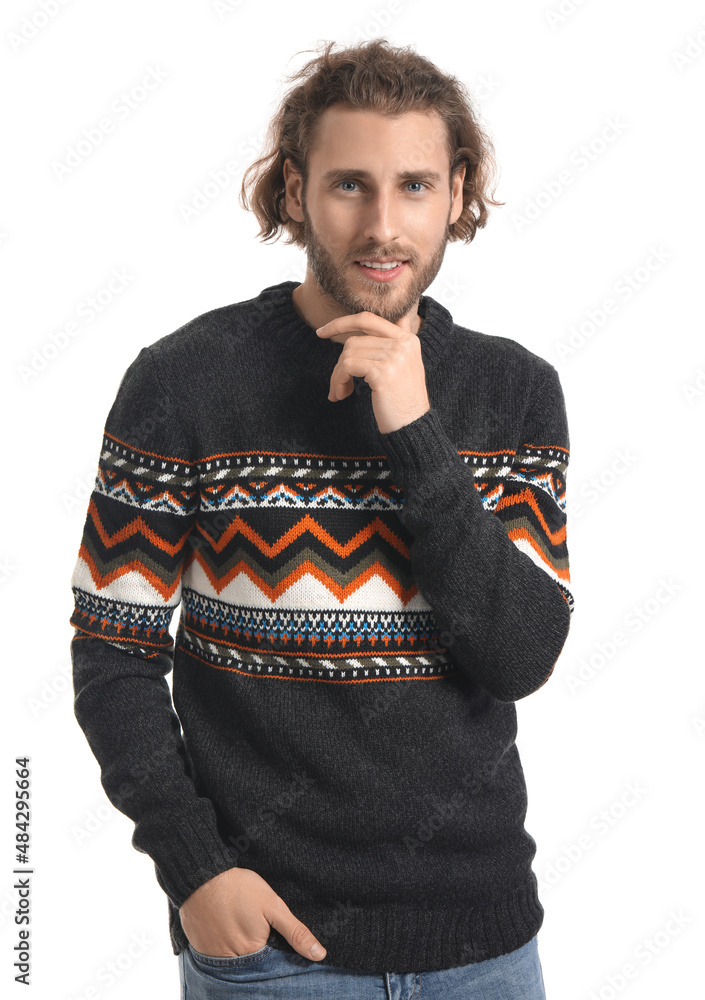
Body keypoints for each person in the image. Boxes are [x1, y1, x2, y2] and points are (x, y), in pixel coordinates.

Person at [69, 37, 573, 999]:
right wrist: (195, 872)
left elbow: (520, 656)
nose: (382, 226)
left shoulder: (513, 391)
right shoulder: (183, 382)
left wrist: (416, 431)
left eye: (414, 186)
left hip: (485, 950)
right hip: (270, 951)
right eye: (349, 185)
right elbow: (113, 653)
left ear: (457, 194)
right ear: (296, 192)